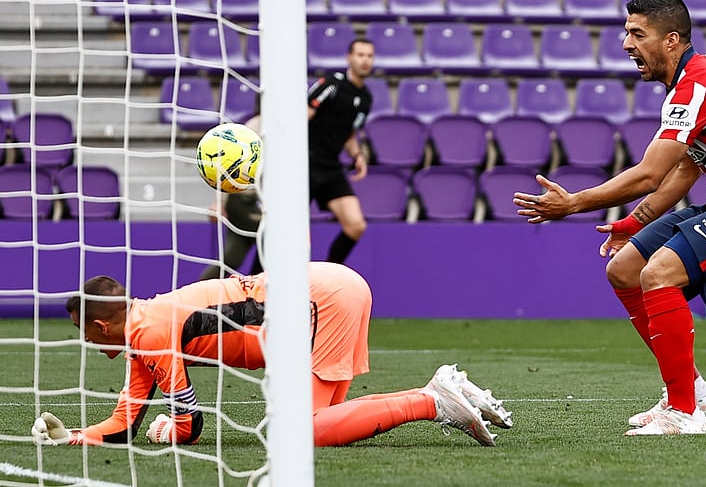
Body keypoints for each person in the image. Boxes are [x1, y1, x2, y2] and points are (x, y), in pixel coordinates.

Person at [513, 0, 706, 435]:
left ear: (671, 41)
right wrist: (633, 223)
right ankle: (690, 390)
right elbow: (685, 169)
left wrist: (573, 203)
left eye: (637, 33)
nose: (626, 44)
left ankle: (684, 413)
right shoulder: (690, 83)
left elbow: (651, 173)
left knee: (660, 273)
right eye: (626, 32)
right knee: (626, 268)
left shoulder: (697, 87)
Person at [31, 262, 512, 447]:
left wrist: (167, 430)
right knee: (324, 423)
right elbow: (123, 422)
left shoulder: (150, 331)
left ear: (98, 326)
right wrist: (72, 436)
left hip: (319, 298)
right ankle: (442, 392)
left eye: (87, 336)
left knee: (301, 434)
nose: (90, 345)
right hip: (326, 288)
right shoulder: (145, 327)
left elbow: (189, 424)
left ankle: (432, 402)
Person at [307, 38, 374, 264]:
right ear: (349, 58)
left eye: (369, 56)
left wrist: (357, 155)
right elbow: (304, 113)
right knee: (287, 229)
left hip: (330, 166)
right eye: (360, 55)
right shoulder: (332, 83)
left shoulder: (366, 98)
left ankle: (328, 276)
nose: (365, 60)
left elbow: (350, 134)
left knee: (356, 226)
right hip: (307, 162)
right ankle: (257, 282)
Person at [199, 115, 263, 281]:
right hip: (244, 202)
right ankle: (194, 298)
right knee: (231, 259)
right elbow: (229, 166)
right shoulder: (254, 127)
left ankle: (259, 300)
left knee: (270, 260)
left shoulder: (293, 128)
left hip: (270, 203)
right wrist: (218, 203)